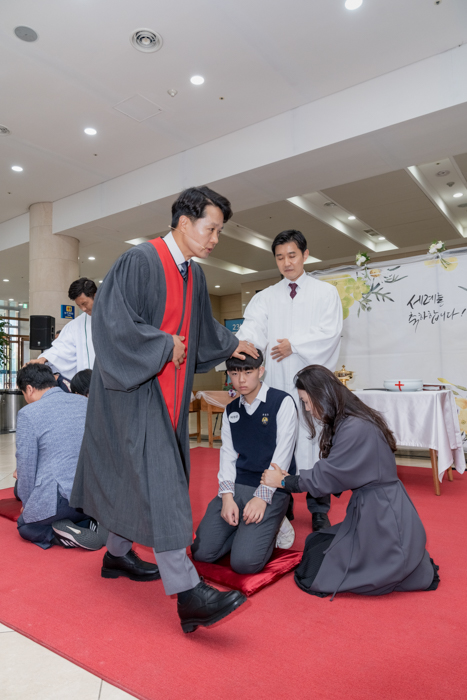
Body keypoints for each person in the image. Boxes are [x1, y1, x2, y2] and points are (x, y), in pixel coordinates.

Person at [70, 186, 257, 633]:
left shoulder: (194, 274)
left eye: (219, 232)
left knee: (132, 480)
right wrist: (161, 344)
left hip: (167, 398)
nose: (215, 239)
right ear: (184, 222)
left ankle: (116, 556)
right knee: (165, 486)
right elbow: (112, 324)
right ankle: (188, 592)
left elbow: (201, 328)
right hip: (130, 395)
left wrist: (233, 343)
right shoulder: (141, 261)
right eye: (211, 228)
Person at [261, 365, 439, 598]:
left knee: (314, 573)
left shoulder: (354, 426)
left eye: (306, 401)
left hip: (382, 516)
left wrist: (284, 482)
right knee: (316, 543)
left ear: (320, 394)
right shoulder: (350, 419)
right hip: (376, 508)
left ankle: (399, 563)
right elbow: (335, 471)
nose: (306, 408)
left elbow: (328, 476)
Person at [236, 229, 343, 533]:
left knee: (315, 442)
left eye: (292, 255)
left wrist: (293, 344)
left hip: (312, 386)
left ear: (305, 255)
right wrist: (242, 345)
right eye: (280, 257)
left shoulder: (325, 293)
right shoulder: (266, 297)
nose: (286, 262)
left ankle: (319, 507)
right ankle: (284, 502)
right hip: (279, 384)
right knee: (281, 442)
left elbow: (330, 332)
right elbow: (253, 328)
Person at [192, 349, 297, 573]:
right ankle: (246, 530)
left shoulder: (282, 402)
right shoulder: (231, 410)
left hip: (272, 486)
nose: (241, 380)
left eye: (248, 372)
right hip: (239, 483)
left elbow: (283, 457)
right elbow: (228, 456)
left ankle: (278, 525)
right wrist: (227, 497)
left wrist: (261, 498)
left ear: (261, 370)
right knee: (201, 552)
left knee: (244, 563)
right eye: (234, 373)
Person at [15, 363, 105, 551]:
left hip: (61, 501)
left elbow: (26, 467)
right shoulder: (85, 402)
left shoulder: (28, 414)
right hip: (92, 498)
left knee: (25, 524)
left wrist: (27, 505)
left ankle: (60, 533)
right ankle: (90, 524)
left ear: (29, 389)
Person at [29, 278, 96, 379]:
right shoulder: (77, 324)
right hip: (89, 385)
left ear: (95, 296)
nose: (83, 309)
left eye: (84, 303)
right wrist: (44, 358)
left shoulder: (117, 315)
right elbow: (62, 347)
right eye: (79, 305)